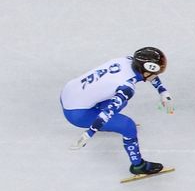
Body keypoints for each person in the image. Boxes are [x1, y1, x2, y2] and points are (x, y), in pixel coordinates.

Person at [61, 47, 173, 176]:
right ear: (147, 73)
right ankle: (138, 165)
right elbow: (108, 112)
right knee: (127, 125)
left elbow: (147, 73)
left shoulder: (127, 60)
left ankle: (104, 122)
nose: (156, 76)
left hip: (69, 91)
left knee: (117, 101)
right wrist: (90, 133)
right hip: (76, 113)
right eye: (156, 73)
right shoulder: (127, 87)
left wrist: (162, 91)